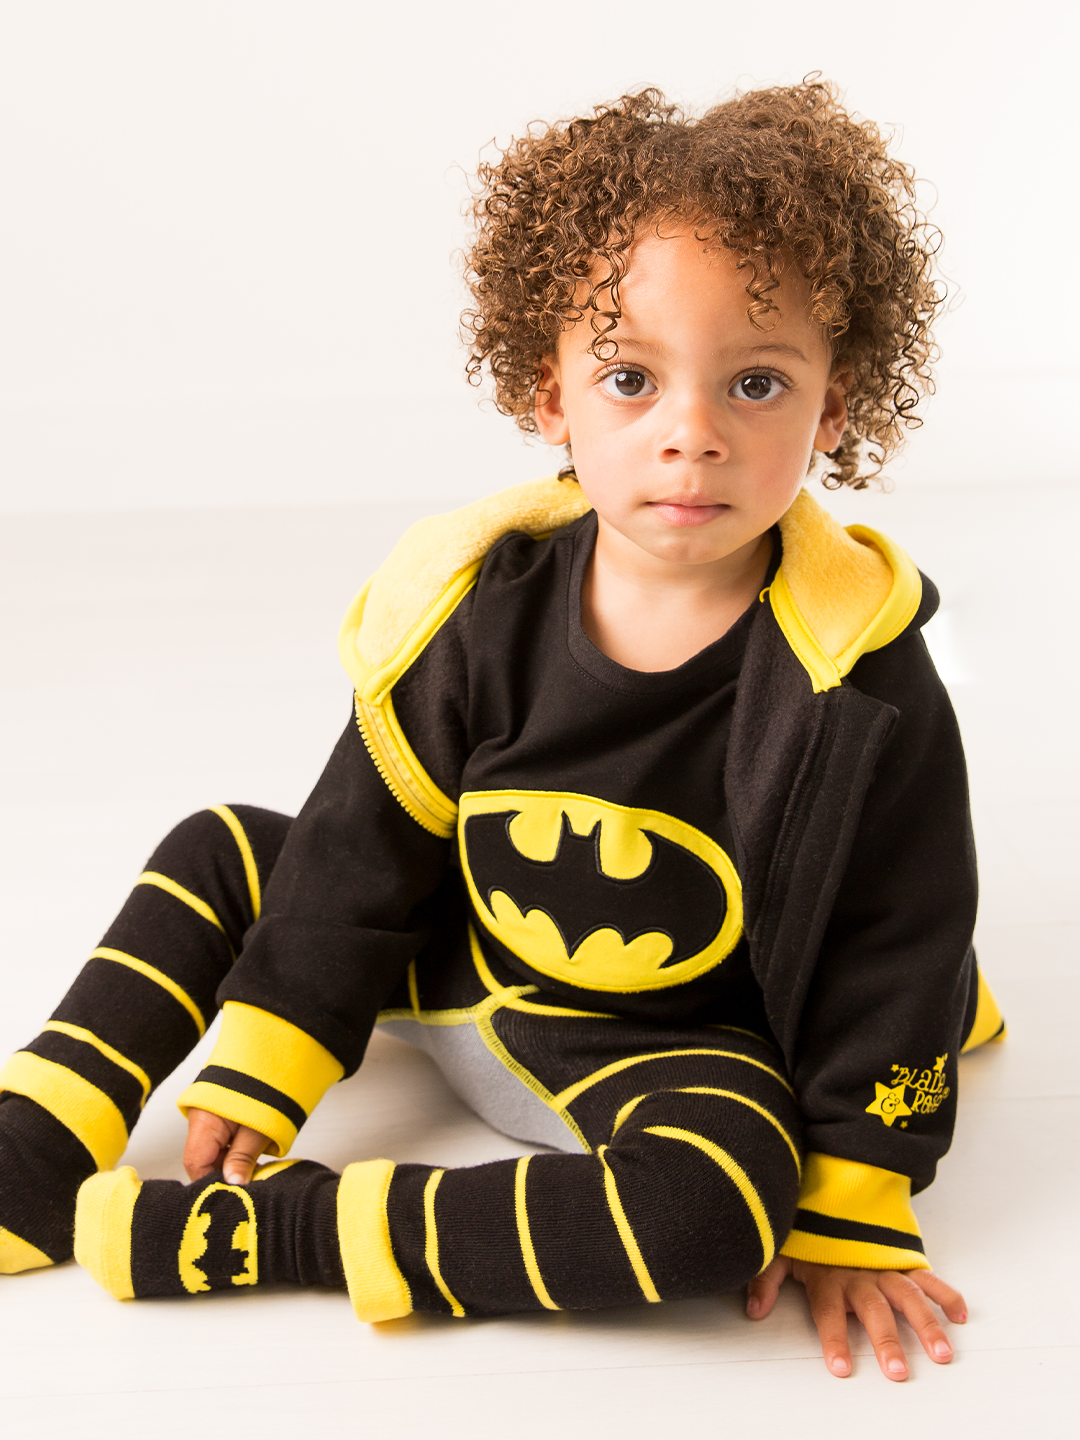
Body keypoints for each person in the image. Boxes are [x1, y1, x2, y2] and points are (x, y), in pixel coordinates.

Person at [0, 80, 1004, 1382]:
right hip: (450, 944)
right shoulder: (473, 601)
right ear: (552, 399)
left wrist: (856, 1199)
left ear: (834, 406)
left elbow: (900, 937)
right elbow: (363, 841)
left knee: (720, 1206)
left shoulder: (860, 673)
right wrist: (269, 1053)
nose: (691, 437)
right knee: (223, 848)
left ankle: (286, 1233)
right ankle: (39, 1133)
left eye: (756, 383)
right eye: (631, 380)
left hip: (663, 1045)